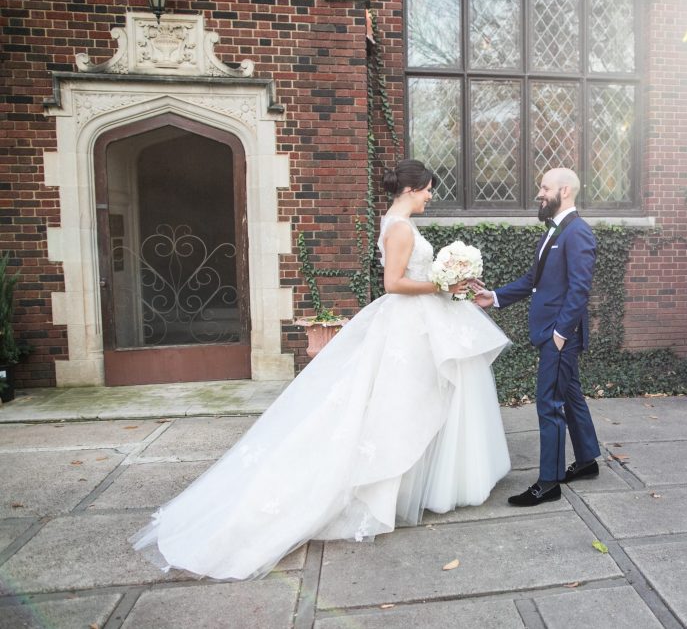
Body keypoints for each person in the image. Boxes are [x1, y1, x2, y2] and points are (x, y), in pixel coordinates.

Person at [132, 159, 511, 580]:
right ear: (412, 188)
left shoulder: (395, 222)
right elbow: (393, 283)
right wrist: (442, 285)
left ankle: (410, 481)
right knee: (401, 404)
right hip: (407, 323)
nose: (430, 196)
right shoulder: (401, 227)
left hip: (412, 323)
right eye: (427, 190)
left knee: (405, 404)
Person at [474, 168, 601, 506]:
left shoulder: (578, 233)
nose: (540, 194)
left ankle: (548, 482)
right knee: (570, 395)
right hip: (554, 332)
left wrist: (560, 334)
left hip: (558, 334)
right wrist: (495, 296)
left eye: (544, 188)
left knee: (549, 404)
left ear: (565, 191)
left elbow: (579, 290)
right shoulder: (554, 230)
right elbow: (535, 279)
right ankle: (587, 459)